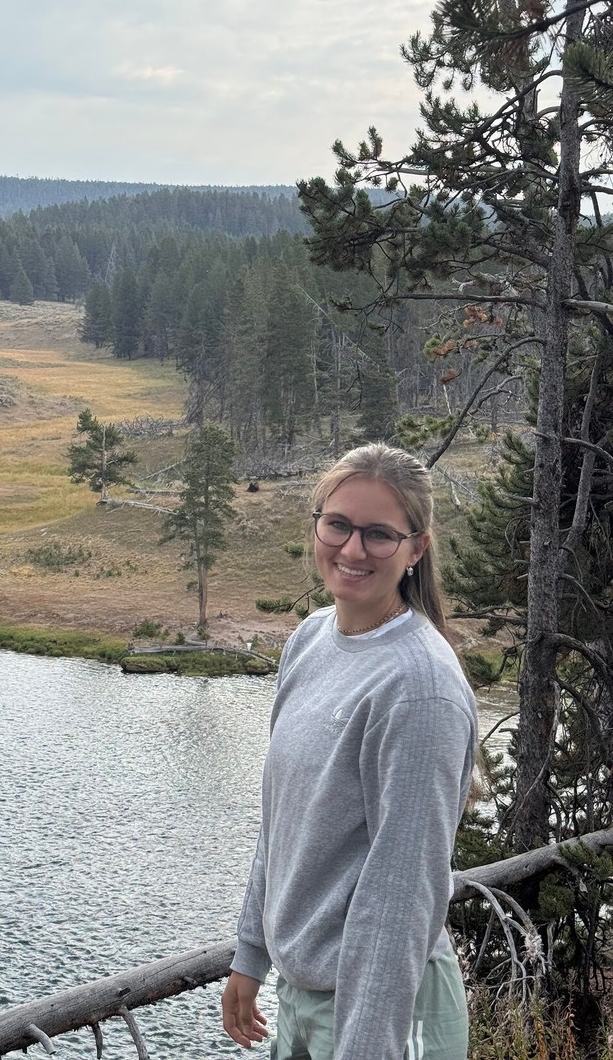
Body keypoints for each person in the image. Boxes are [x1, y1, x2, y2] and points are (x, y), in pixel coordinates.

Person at [222, 443, 477, 1060]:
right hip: (303, 996)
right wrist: (251, 952)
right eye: (338, 524)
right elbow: (281, 823)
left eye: (379, 534)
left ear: (416, 548)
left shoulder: (420, 689)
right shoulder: (311, 639)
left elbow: (403, 894)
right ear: (317, 524)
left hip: (382, 1010)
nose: (353, 549)